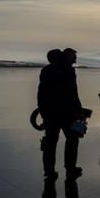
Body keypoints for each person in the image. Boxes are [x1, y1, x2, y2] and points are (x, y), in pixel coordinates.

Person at [37, 47, 84, 180]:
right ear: (67, 57)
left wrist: (42, 110)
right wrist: (79, 112)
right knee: (72, 141)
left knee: (50, 143)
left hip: (50, 113)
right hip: (67, 113)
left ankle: (49, 171)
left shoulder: (46, 70)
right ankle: (70, 169)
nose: (75, 59)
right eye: (74, 56)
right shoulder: (68, 71)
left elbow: (41, 93)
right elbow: (73, 94)